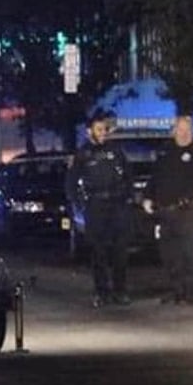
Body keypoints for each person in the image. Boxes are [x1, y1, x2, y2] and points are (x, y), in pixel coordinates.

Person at [143, 115, 193, 305]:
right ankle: (177, 291)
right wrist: (148, 197)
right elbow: (155, 177)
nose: (184, 134)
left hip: (190, 212)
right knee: (170, 254)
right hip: (167, 212)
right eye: (180, 130)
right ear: (174, 131)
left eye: (188, 130)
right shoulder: (165, 152)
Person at [65, 111, 133, 307]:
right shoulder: (83, 154)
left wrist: (127, 196)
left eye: (105, 129)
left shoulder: (116, 151)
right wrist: (79, 204)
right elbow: (71, 182)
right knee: (98, 251)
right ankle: (102, 292)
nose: (103, 133)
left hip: (117, 204)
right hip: (95, 206)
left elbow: (129, 175)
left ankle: (120, 291)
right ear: (90, 132)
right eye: (99, 129)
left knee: (120, 250)